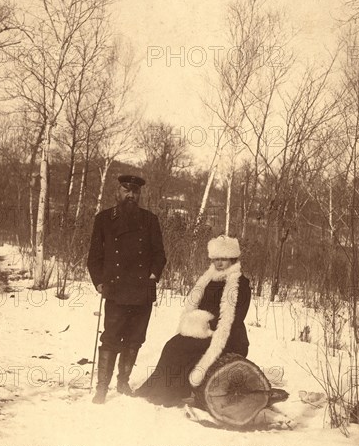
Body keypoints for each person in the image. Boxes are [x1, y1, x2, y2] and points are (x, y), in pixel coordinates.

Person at [135, 235, 251, 407]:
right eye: (216, 259)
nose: (219, 263)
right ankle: (157, 388)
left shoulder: (239, 283)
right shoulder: (209, 280)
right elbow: (198, 305)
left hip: (228, 336)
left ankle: (171, 392)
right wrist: (195, 321)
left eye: (224, 259)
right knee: (172, 345)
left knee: (185, 349)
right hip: (203, 330)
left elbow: (236, 317)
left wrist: (207, 325)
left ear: (232, 259)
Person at [87, 174, 166, 404]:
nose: (130, 195)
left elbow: (160, 254)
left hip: (142, 290)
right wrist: (99, 281)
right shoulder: (103, 219)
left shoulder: (150, 220)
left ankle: (123, 381)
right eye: (126, 190)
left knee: (135, 339)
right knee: (111, 338)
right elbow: (94, 256)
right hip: (116, 289)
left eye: (135, 192)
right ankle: (102, 387)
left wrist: (153, 275)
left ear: (139, 195)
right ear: (117, 193)